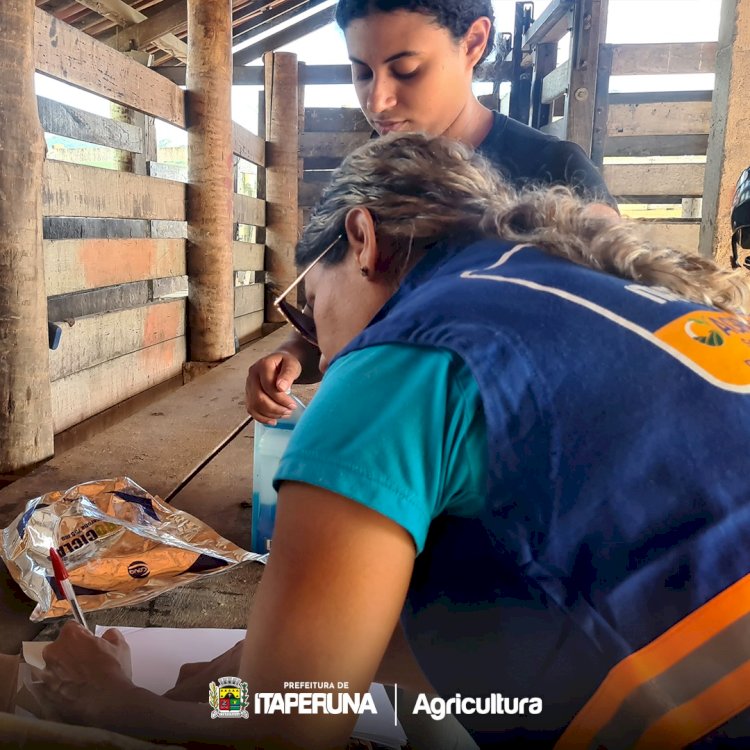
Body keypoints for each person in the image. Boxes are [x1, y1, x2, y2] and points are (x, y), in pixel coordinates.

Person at [37, 132, 750, 748]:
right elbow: (353, 667)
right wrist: (230, 678)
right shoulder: (577, 296)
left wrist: (114, 702)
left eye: (310, 308)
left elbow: (287, 731)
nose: (321, 347)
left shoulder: (406, 351)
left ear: (362, 240)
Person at [246, 0, 620, 426]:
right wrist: (291, 355)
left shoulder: (553, 173)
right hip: (385, 443)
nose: (379, 100)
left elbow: (606, 342)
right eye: (362, 72)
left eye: (406, 70)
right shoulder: (369, 178)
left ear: (473, 42)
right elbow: (330, 321)